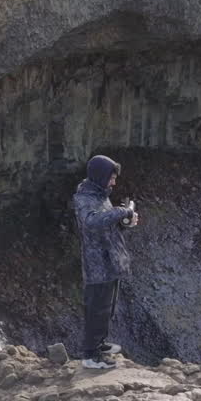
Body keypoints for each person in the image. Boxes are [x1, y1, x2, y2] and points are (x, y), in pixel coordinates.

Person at [72, 154, 139, 369]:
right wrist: (121, 211)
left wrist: (125, 222)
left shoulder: (101, 196)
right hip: (97, 265)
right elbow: (91, 222)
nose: (114, 182)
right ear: (100, 176)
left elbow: (107, 225)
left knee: (106, 308)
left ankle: (98, 344)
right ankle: (91, 356)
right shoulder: (83, 199)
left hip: (110, 262)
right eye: (111, 178)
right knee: (96, 309)